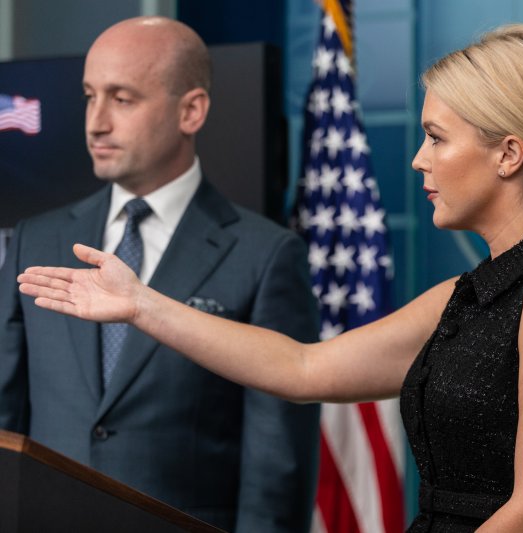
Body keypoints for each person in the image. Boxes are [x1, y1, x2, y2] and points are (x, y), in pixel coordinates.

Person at [18, 24, 523, 532]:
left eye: (436, 138)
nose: (418, 159)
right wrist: (141, 305)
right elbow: (303, 369)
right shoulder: (469, 294)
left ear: (508, 153)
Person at [1, 16, 321, 532]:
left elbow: (276, 466)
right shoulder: (36, 240)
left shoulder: (265, 255)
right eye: (90, 96)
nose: (96, 122)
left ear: (191, 111)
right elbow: (5, 419)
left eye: (122, 99)